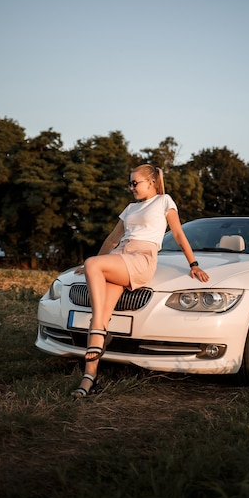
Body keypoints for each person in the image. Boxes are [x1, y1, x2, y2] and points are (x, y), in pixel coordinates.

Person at [72, 164, 209, 398]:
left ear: (151, 182)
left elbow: (177, 234)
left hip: (141, 258)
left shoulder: (164, 201)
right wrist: (93, 263)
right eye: (130, 183)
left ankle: (98, 330)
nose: (131, 187)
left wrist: (193, 264)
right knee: (101, 314)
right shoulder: (130, 208)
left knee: (94, 265)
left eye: (135, 183)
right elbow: (113, 239)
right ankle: (89, 378)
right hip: (119, 257)